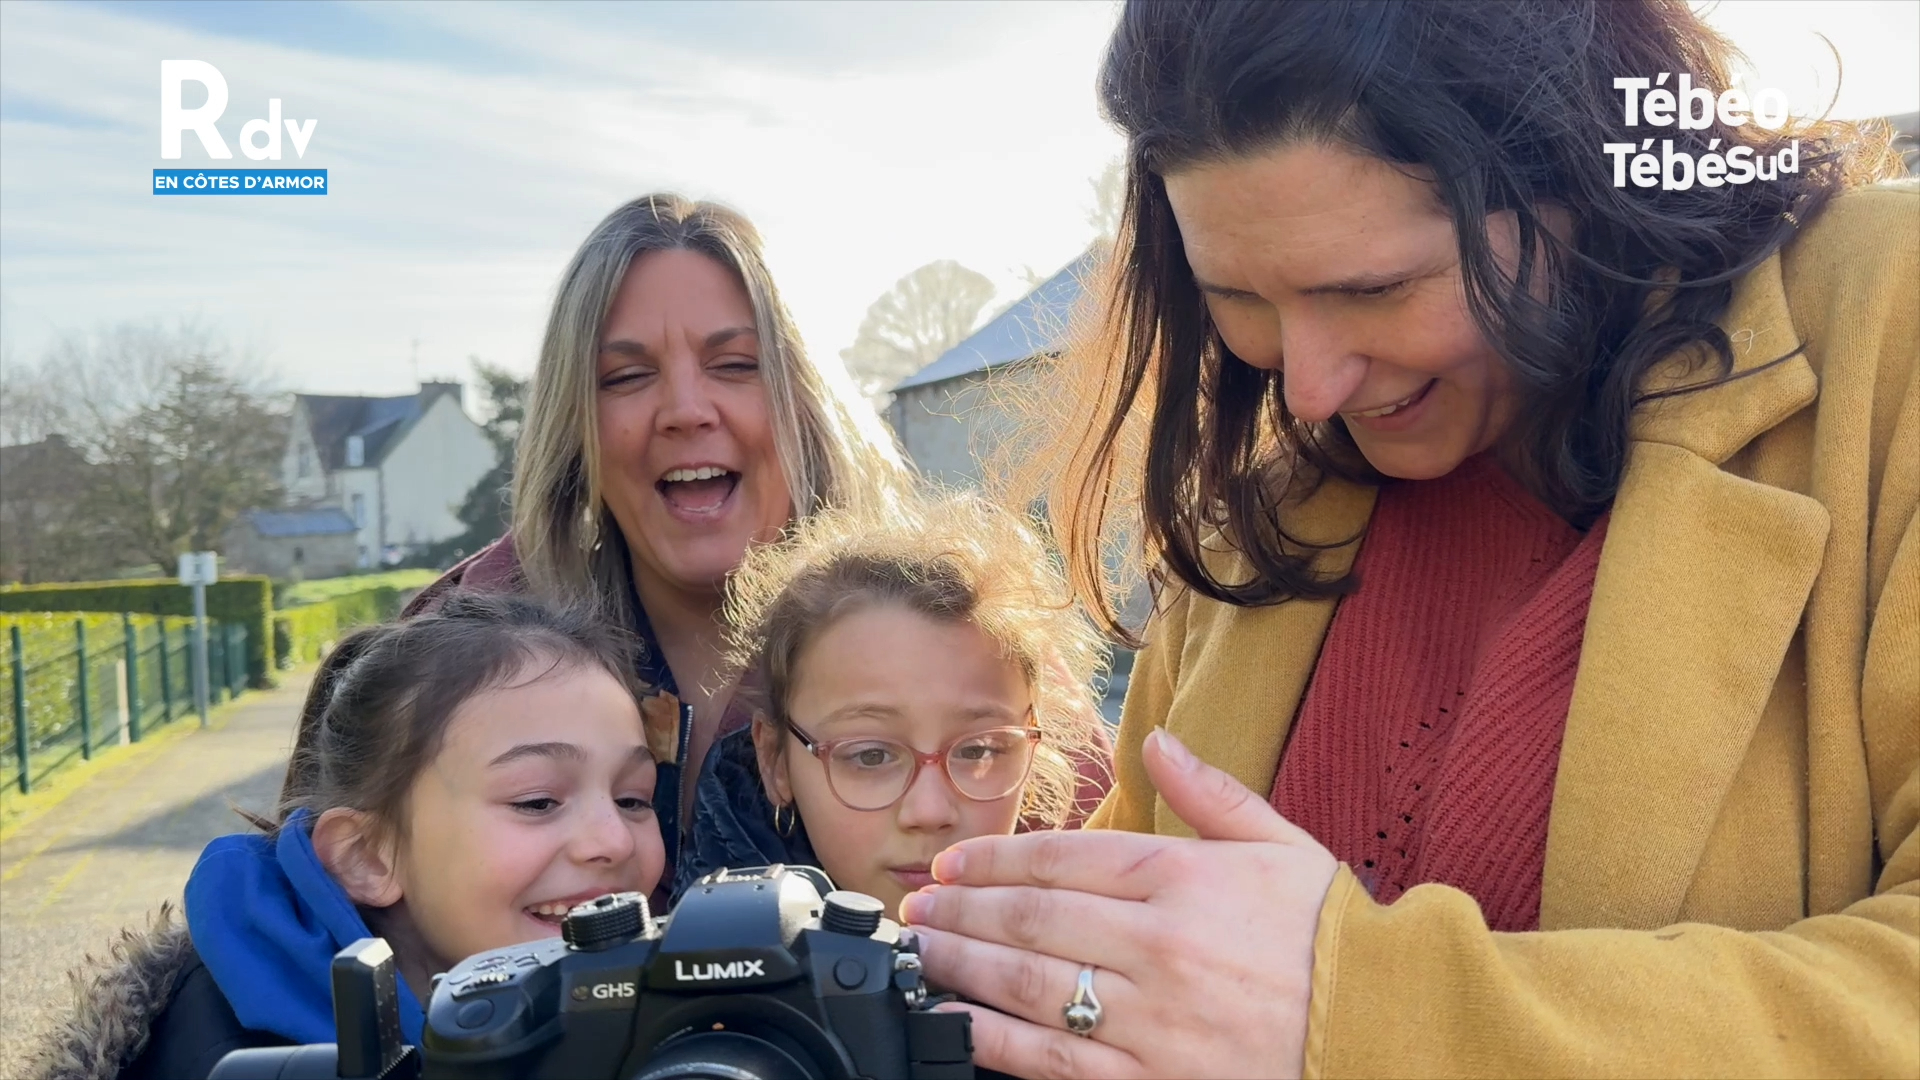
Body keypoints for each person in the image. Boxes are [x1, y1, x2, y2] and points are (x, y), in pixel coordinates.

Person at [899, 2, 1918, 1077]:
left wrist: (1365, 1014)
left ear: (1583, 173)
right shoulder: (1269, 516)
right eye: (1237, 296)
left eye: (1375, 289)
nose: (1309, 383)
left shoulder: (1887, 318)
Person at [404, 193, 917, 895]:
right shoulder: (445, 656)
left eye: (735, 365)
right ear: (575, 425)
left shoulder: (965, 642)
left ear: (806, 398)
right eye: (627, 377)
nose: (684, 411)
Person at [25, 594, 664, 1080]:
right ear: (367, 857)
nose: (612, 839)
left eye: (634, 798)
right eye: (537, 801)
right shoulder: (227, 1055)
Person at [678, 491, 1108, 913]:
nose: (929, 812)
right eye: (870, 756)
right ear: (774, 760)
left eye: (978, 750)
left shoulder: (1102, 953)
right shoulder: (699, 967)